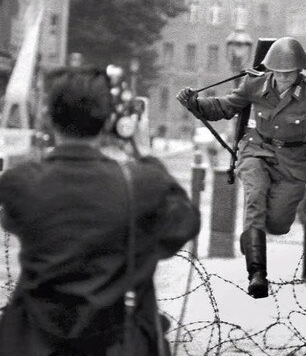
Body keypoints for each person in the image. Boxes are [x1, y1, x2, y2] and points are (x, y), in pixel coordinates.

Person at [0, 67, 201, 355]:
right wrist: (141, 153)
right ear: (109, 121)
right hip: (117, 340)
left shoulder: (21, 182)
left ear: (47, 118)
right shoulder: (140, 183)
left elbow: (12, 219)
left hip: (34, 342)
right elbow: (184, 224)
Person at [176, 36, 306, 298]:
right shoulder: (255, 83)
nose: (284, 78)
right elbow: (226, 106)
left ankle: (251, 238)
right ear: (271, 70)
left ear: (300, 70)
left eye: (290, 73)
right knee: (254, 197)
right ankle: (257, 273)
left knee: (278, 224)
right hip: (256, 151)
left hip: (292, 162)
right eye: (279, 72)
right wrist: (196, 104)